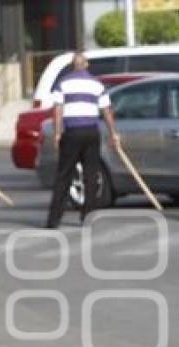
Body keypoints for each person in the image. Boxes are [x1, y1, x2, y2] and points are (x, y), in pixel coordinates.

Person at [46, 52, 120, 229]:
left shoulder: (63, 83)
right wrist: (113, 133)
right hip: (91, 132)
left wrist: (57, 133)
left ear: (73, 65)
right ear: (86, 65)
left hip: (72, 132)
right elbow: (106, 110)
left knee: (64, 175)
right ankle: (88, 217)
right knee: (91, 175)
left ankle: (54, 219)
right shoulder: (96, 84)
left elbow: (57, 110)